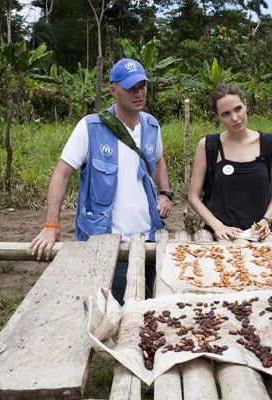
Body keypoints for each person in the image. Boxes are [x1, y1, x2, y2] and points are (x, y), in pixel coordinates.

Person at [29, 58, 173, 304]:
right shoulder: (91, 127)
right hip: (105, 242)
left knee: (148, 312)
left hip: (149, 239)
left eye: (142, 86)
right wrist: (51, 225)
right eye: (131, 88)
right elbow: (61, 173)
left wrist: (164, 193)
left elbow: (158, 160)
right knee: (108, 313)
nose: (139, 93)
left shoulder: (151, 125)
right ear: (113, 90)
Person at [188, 83, 272, 241]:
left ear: (245, 104)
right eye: (225, 114)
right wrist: (217, 226)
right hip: (220, 237)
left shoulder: (268, 143)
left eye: (238, 109)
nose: (235, 118)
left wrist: (265, 221)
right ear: (217, 116)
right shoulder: (209, 146)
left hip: (258, 233)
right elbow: (193, 196)